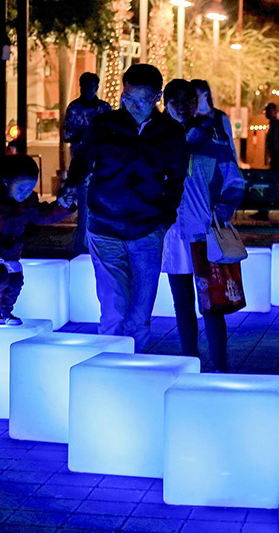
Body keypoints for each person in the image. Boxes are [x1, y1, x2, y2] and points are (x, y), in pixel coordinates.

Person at [61, 64, 189, 351]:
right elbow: (82, 160)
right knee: (112, 306)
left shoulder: (169, 132)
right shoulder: (105, 125)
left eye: (140, 101)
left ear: (157, 97)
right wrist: (71, 185)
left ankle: (134, 365)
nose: (132, 106)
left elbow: (177, 179)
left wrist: (164, 219)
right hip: (105, 226)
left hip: (147, 228)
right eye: (127, 98)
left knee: (140, 312)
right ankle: (109, 367)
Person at [161, 79, 245, 373]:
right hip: (171, 234)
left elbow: (234, 179)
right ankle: (189, 365)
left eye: (188, 101)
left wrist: (225, 206)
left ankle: (220, 367)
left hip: (204, 231)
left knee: (213, 304)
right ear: (165, 104)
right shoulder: (157, 138)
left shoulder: (214, 138)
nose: (183, 107)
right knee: (182, 305)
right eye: (176, 101)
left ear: (196, 103)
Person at [0, 155, 71, 325]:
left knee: (15, 280)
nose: (26, 194)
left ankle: (6, 312)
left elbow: (42, 215)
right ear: (6, 182)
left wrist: (64, 208)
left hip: (9, 254)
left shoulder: (26, 204)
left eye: (30, 189)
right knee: (0, 275)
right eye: (22, 188)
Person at [63, 72, 112, 253]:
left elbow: (112, 133)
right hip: (82, 164)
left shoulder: (104, 108)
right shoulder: (74, 108)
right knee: (83, 209)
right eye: (85, 87)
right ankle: (81, 246)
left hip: (102, 165)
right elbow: (67, 134)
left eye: (92, 87)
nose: (89, 91)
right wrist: (86, 134)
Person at [251, 102, 279, 221]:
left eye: (269, 111)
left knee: (275, 185)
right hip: (278, 159)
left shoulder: (278, 126)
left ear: (275, 112)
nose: (266, 113)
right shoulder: (276, 125)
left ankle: (264, 211)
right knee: (277, 185)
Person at [191, 79, 237, 159]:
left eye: (196, 96)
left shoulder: (221, 118)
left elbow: (231, 147)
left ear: (205, 94)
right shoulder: (189, 118)